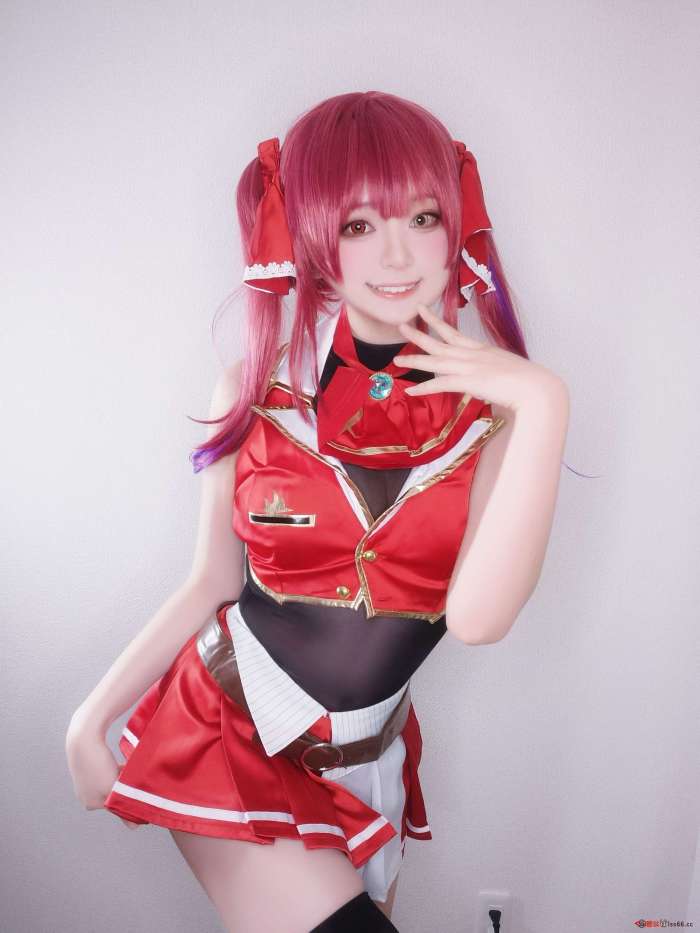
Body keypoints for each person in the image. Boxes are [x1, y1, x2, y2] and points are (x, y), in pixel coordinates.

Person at [65, 90, 570, 932]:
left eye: (423, 217)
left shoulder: (501, 412)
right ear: (310, 238)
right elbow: (212, 581)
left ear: (457, 223)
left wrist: (544, 401)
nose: (398, 253)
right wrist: (91, 719)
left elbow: (478, 620)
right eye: (358, 224)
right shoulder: (255, 391)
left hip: (373, 757)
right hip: (228, 732)